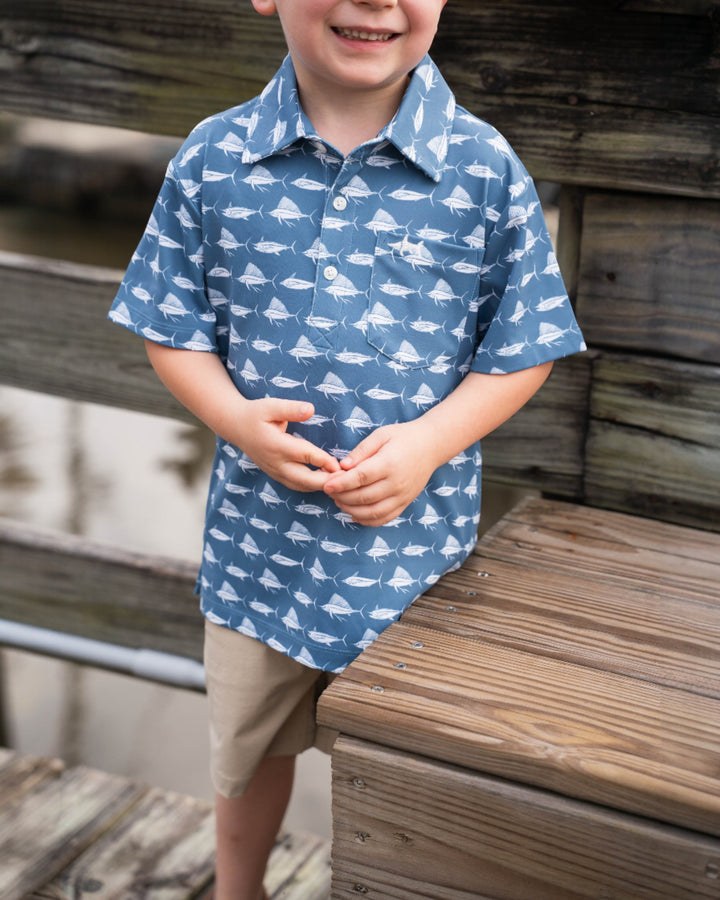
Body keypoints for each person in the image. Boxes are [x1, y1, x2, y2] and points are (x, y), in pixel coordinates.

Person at [109, 0, 586, 896]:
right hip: (260, 557)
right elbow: (169, 325)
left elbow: (524, 351)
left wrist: (429, 443)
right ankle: (238, 887)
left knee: (413, 781)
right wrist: (234, 418)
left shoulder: (480, 167)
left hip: (416, 565)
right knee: (245, 756)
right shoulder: (215, 155)